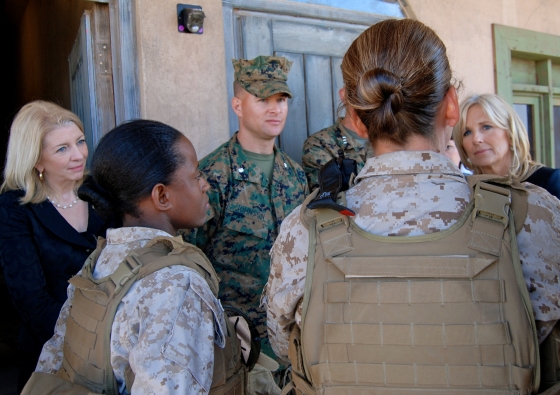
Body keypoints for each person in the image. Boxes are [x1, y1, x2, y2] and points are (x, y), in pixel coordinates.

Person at [264, 19, 560, 393]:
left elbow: (285, 345)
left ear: (355, 116)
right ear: (451, 106)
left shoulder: (302, 232)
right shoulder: (534, 216)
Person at [33, 119, 245, 394]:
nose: (204, 185)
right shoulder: (177, 284)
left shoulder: (100, 261)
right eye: (195, 176)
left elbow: (52, 365)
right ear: (162, 196)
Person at [181, 55, 309, 365]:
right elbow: (189, 261)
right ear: (237, 106)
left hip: (291, 338)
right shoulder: (211, 176)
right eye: (264, 99)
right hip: (236, 344)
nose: (276, 108)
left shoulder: (294, 175)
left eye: (281, 99)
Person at [0, 100, 110, 391]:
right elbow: (31, 300)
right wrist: (88, 340)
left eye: (80, 142)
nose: (79, 155)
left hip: (113, 351)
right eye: (62, 149)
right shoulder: (15, 208)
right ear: (36, 160)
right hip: (52, 355)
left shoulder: (100, 192)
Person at [454, 93, 560, 199]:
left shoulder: (551, 182)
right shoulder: (463, 193)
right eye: (467, 132)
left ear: (511, 132)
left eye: (486, 127)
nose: (476, 139)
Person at [302, 88, 373, 191]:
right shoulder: (320, 144)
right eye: (362, 89)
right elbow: (333, 201)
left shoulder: (394, 142)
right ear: (344, 95)